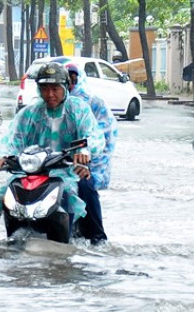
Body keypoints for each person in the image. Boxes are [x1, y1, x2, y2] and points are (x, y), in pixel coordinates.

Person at [0, 62, 105, 242]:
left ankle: (97, 240)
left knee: (83, 188)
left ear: (66, 87)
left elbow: (93, 135)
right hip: (32, 172)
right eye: (44, 88)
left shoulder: (78, 109)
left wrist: (84, 150)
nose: (50, 94)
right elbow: (12, 138)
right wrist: (3, 156)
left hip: (69, 171)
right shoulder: (29, 113)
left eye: (55, 88)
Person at [65, 62, 118, 245]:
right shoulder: (39, 109)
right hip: (51, 162)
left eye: (72, 80)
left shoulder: (90, 104)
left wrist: (86, 150)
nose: (69, 85)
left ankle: (97, 237)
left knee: (85, 184)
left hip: (82, 161)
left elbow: (100, 134)